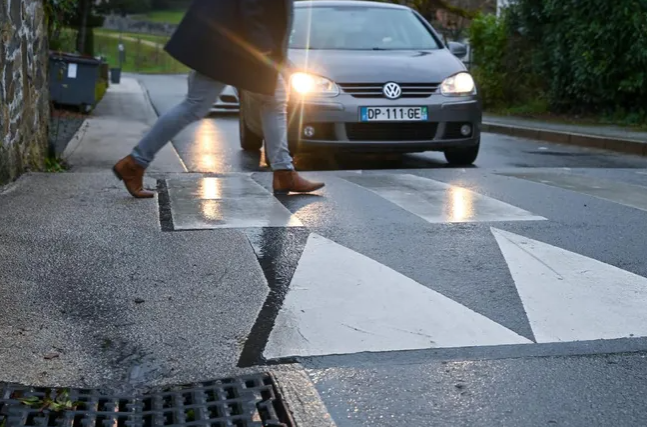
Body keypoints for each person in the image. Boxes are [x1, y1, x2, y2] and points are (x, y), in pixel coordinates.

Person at [112, 0, 324, 198]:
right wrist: (262, 44)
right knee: (196, 105)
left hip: (232, 40)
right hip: (234, 43)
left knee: (271, 100)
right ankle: (135, 163)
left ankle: (284, 172)